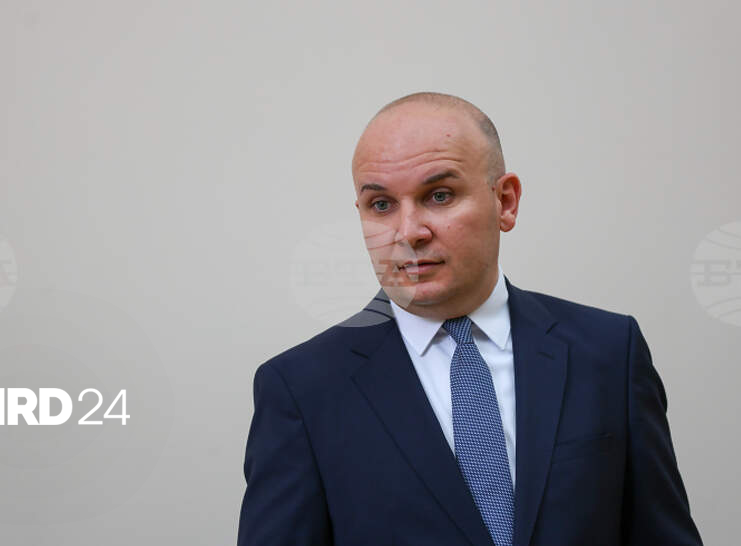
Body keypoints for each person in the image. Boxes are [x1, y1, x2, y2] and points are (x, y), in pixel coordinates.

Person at [237, 92, 703, 545]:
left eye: (439, 196)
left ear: (506, 201)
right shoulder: (302, 389)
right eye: (381, 205)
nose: (409, 232)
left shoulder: (608, 352)